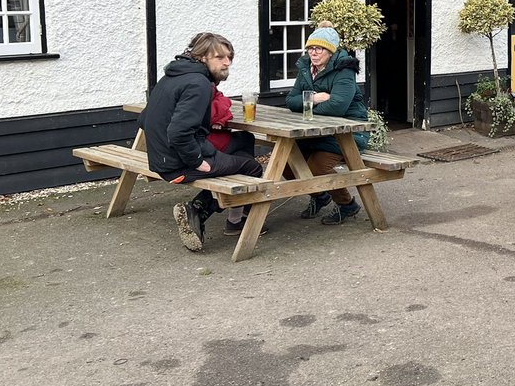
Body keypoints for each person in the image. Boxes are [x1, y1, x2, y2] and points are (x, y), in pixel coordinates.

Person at [138, 32, 263, 252]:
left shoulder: (172, 76)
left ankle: (235, 218)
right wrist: (197, 160)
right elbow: (178, 132)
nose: (227, 63)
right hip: (178, 165)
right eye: (220, 57)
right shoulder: (199, 84)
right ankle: (197, 210)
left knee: (244, 139)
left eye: (229, 57)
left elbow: (143, 119)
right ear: (202, 57)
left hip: (160, 158)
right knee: (251, 167)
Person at [285, 23, 371, 225]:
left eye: (319, 48)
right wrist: (314, 99)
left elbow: (337, 107)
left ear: (330, 51)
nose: (313, 53)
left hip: (348, 132)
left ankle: (347, 204)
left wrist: (307, 107)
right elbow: (290, 100)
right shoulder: (306, 67)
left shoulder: (344, 70)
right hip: (315, 131)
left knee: (317, 168)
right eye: (310, 48)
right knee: (287, 164)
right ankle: (320, 196)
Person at [205, 78, 261, 235]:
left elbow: (222, 99)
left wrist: (220, 110)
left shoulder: (195, 83)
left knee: (245, 145)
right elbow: (214, 113)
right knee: (250, 162)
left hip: (206, 142)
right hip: (208, 145)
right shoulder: (199, 85)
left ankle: (237, 218)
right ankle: (239, 215)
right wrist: (220, 115)